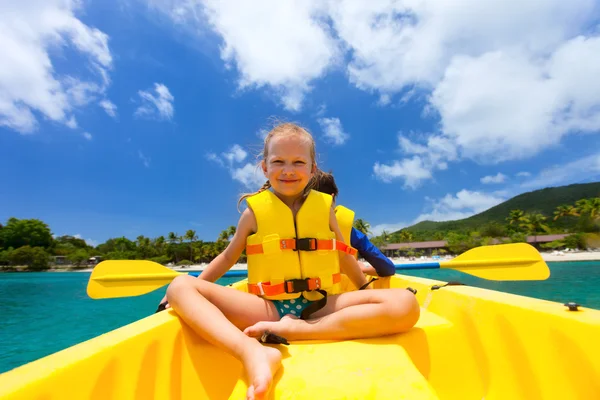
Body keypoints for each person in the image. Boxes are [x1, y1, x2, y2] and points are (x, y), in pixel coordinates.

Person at [163, 122, 420, 400]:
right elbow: (228, 257)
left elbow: (341, 254)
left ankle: (299, 330)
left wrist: (364, 291)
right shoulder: (254, 212)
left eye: (298, 162)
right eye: (278, 162)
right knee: (179, 286)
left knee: (405, 304)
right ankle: (251, 352)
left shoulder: (324, 208)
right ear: (265, 167)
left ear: (312, 169)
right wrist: (199, 285)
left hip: (321, 304)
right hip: (267, 308)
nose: (288, 170)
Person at [312, 170, 396, 278]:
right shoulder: (348, 231)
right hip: (338, 292)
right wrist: (362, 268)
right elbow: (388, 269)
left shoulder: (289, 229)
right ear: (332, 197)